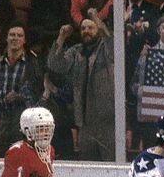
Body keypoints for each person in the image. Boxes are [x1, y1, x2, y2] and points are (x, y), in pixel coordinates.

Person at [47, 11, 115, 161]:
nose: (86, 31)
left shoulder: (107, 49)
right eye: (83, 28)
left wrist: (97, 19)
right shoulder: (76, 51)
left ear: (98, 29)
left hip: (107, 122)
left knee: (109, 165)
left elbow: (111, 42)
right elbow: (55, 65)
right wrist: (62, 37)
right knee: (88, 166)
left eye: (91, 28)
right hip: (84, 123)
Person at [0, 23, 43, 157]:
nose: (15, 38)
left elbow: (37, 95)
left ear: (24, 40)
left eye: (19, 35)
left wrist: (19, 97)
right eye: (12, 35)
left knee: (20, 164)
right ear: (6, 38)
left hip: (21, 122)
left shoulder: (31, 64)